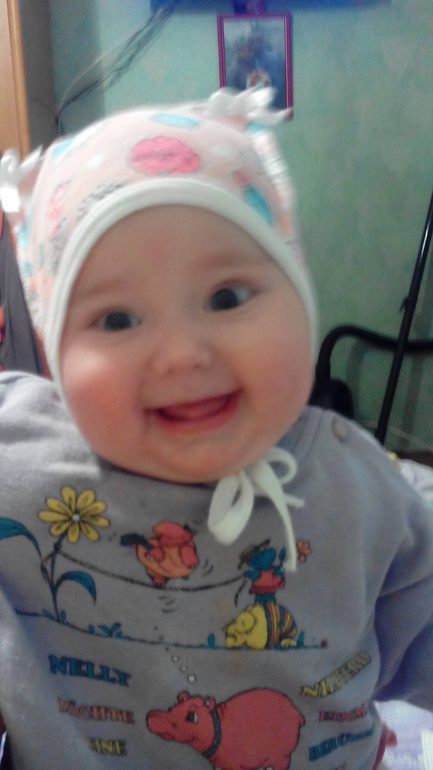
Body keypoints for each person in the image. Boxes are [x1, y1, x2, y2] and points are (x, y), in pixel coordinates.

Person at [0, 87, 432, 770]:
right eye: (117, 319)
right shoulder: (17, 460)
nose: (182, 354)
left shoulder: (359, 487)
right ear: (54, 355)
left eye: (226, 298)